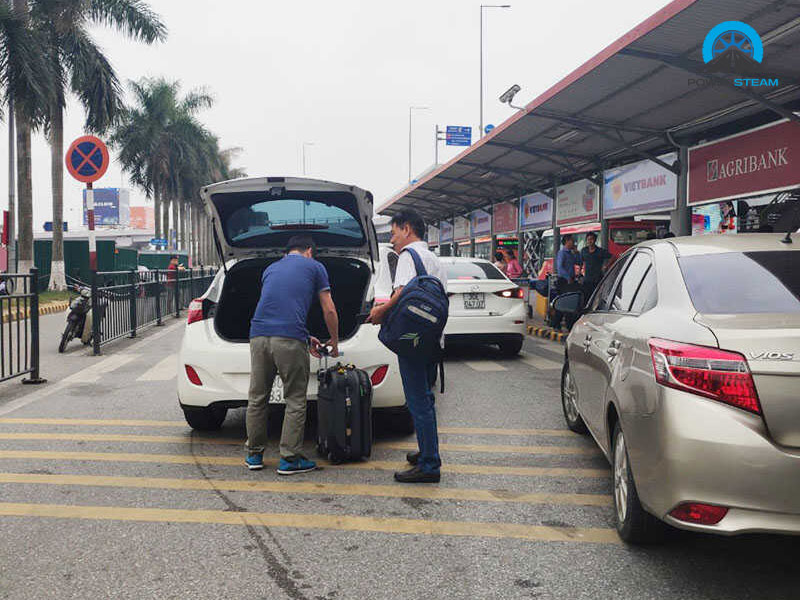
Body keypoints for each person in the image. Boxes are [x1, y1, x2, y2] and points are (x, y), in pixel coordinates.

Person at [245, 235, 340, 475]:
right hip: (288, 339)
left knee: (257, 398)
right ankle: (289, 458)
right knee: (295, 399)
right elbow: (328, 308)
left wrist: (306, 337)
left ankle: (254, 455)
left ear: (286, 252)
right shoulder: (314, 266)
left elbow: (278, 306)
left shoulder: (270, 269)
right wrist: (334, 341)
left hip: (257, 336)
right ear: (309, 250)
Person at [367, 208, 445, 484]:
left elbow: (399, 296)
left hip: (412, 341)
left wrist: (379, 313)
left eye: (395, 231)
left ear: (408, 228)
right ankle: (427, 450)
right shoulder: (433, 258)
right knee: (426, 397)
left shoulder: (408, 257)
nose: (393, 238)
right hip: (432, 339)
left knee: (417, 400)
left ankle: (429, 464)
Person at [552, 234, 582, 331]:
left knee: (570, 302)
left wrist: (577, 253)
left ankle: (569, 324)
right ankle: (556, 323)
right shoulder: (562, 253)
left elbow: (579, 262)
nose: (573, 243)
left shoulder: (571, 253)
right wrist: (568, 277)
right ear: (567, 241)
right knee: (564, 302)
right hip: (564, 280)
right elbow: (560, 267)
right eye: (572, 241)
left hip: (571, 280)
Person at [580, 232, 612, 300]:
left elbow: (613, 257)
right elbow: (582, 262)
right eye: (588, 239)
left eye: (591, 239)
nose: (590, 241)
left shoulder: (600, 251)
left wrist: (606, 266)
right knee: (586, 298)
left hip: (597, 279)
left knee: (596, 298)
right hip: (587, 280)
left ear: (595, 240)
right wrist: (581, 272)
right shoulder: (584, 251)